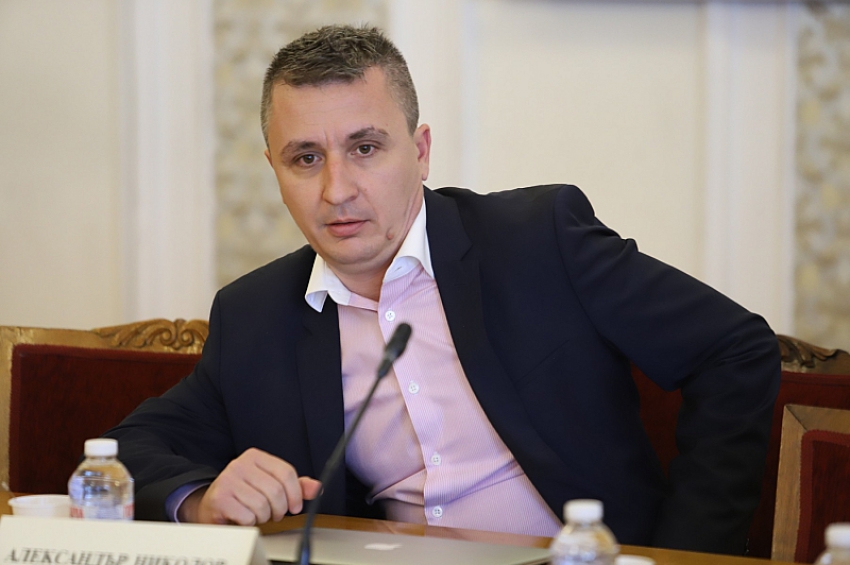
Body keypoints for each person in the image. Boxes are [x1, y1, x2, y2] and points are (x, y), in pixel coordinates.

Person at [104, 24, 780, 555]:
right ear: (274, 170)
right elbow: (125, 450)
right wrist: (199, 500)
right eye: (305, 158)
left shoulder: (539, 240)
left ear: (421, 150)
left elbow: (735, 349)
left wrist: (684, 555)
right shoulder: (257, 314)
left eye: (365, 148)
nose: (337, 189)